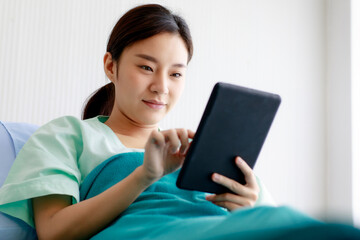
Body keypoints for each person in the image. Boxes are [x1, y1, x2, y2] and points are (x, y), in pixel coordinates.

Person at [1, 4, 360, 240]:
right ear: (111, 66)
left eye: (176, 74)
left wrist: (249, 203)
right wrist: (144, 175)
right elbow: (53, 232)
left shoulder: (198, 150)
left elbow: (266, 218)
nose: (161, 87)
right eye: (146, 67)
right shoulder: (67, 135)